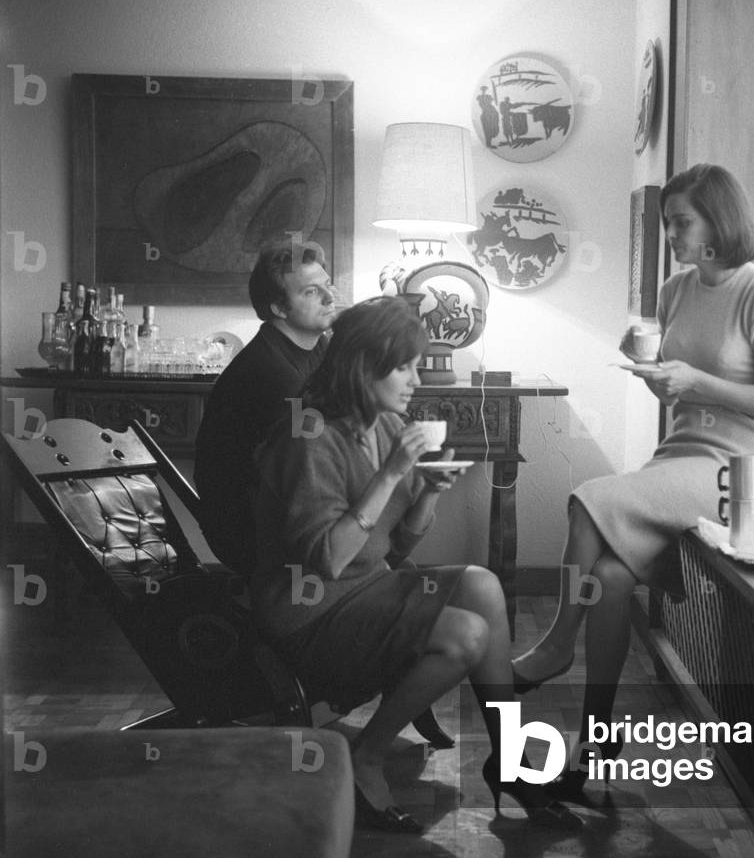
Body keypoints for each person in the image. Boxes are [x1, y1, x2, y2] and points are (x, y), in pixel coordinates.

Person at [511, 163, 754, 796]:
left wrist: (695, 380)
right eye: (668, 222)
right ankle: (597, 737)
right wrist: (652, 368)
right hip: (682, 454)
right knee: (610, 580)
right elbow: (676, 390)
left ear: (719, 221)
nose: (671, 234)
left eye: (681, 222)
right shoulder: (675, 291)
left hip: (744, 470)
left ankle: (556, 645)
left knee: (589, 497)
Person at [251, 296, 581, 834]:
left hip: (366, 589)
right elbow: (330, 560)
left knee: (482, 584)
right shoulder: (309, 438)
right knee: (466, 635)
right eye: (402, 367)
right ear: (364, 367)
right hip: (308, 615)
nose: (415, 380)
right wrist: (390, 474)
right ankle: (366, 758)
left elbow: (394, 548)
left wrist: (427, 491)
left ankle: (513, 760)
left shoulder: (382, 423)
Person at [194, 239, 338, 574]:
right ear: (279, 308)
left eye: (327, 285)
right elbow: (313, 467)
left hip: (288, 509)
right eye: (311, 292)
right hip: (254, 536)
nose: (330, 298)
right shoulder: (272, 372)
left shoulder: (319, 348)